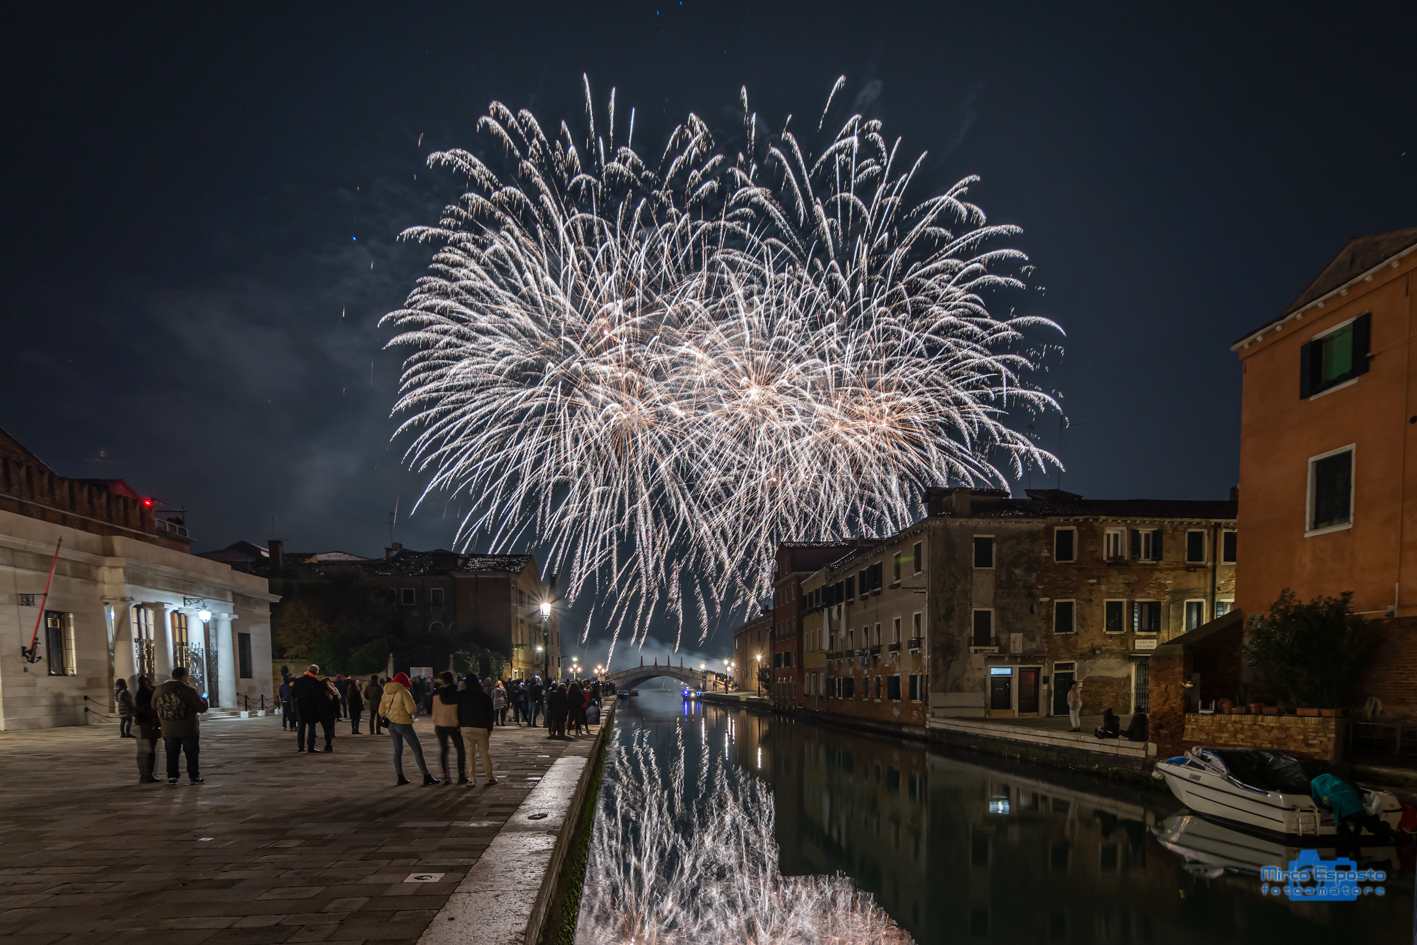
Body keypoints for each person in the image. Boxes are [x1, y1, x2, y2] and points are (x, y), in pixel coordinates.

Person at [152, 666, 208, 784]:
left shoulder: (159, 690)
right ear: (184, 676)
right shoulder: (189, 690)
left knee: (171, 753)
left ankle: (172, 776)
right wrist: (204, 699)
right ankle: (194, 776)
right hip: (188, 727)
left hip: (168, 728)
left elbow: (153, 706)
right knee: (191, 753)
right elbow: (201, 707)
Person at [379, 672, 438, 785]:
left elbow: (381, 711)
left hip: (391, 724)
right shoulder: (404, 693)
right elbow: (411, 710)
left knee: (397, 750)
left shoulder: (386, 692)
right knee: (417, 750)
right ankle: (426, 775)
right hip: (403, 724)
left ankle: (400, 777)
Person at [458, 673, 497, 785]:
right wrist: (489, 728)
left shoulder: (462, 695)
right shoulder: (484, 696)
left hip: (467, 727)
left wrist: (461, 724)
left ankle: (472, 778)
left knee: (469, 754)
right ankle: (489, 777)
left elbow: (458, 712)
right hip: (482, 728)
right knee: (484, 753)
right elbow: (490, 714)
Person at [431, 671, 466, 784]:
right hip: (453, 724)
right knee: (460, 748)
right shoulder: (456, 693)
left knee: (444, 750)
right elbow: (460, 710)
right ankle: (461, 775)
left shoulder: (436, 694)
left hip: (439, 724)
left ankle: (446, 776)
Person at [133, 676, 162, 784]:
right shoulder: (150, 693)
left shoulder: (139, 694)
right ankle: (149, 774)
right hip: (150, 723)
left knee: (146, 750)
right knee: (151, 749)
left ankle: (145, 774)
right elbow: (154, 707)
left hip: (143, 723)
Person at [292, 664, 326, 753]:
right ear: (316, 672)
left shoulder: (298, 681)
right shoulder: (315, 682)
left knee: (301, 727)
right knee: (311, 727)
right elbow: (319, 697)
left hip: (300, 706)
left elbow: (292, 694)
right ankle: (311, 747)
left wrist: (294, 707)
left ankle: (300, 746)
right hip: (311, 707)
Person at [317, 676, 340, 752]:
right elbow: (337, 705)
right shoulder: (333, 693)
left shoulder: (320, 694)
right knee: (330, 729)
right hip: (331, 713)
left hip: (323, 714)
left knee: (326, 730)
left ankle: (328, 744)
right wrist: (338, 714)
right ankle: (329, 744)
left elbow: (318, 705)